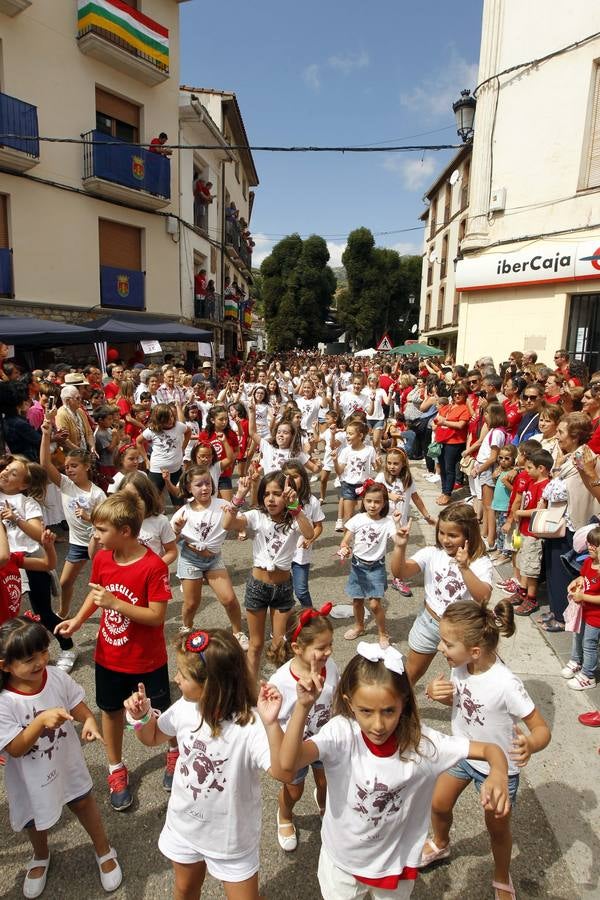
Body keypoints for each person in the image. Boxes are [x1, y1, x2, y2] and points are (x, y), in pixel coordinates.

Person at [277, 642, 511, 900]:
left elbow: (490, 750)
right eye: (366, 711)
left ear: (404, 703)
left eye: (389, 711)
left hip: (394, 866)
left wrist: (498, 772)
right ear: (349, 703)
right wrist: (302, 706)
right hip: (341, 863)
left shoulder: (424, 746)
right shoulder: (341, 734)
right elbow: (287, 766)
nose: (378, 725)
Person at [123, 629, 288, 900]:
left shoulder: (250, 725)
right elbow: (152, 736)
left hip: (231, 838)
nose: (175, 679)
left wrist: (272, 724)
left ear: (211, 684)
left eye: (182, 674)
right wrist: (141, 717)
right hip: (185, 826)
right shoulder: (186, 708)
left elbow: (283, 771)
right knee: (185, 889)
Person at [422, 601, 551, 900]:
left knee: (497, 829)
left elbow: (542, 729)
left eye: (447, 643)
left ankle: (502, 876)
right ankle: (441, 843)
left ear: (475, 651)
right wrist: (435, 693)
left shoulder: (506, 684)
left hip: (498, 768)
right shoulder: (460, 665)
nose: (441, 648)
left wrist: (530, 744)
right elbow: (464, 705)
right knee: (439, 804)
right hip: (464, 752)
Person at [55, 494, 173, 809]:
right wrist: (77, 621)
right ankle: (115, 767)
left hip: (146, 660)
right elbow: (96, 595)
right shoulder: (104, 558)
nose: (95, 535)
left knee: (162, 714)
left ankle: (174, 751)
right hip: (109, 656)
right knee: (110, 710)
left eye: (101, 529)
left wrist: (116, 603)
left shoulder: (153, 566)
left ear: (124, 531)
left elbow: (156, 616)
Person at [0, 617, 122, 897]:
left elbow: (77, 704)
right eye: (30, 658)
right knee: (34, 817)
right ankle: (41, 855)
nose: (41, 661)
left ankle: (104, 849)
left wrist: (89, 721)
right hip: (29, 777)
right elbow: (15, 748)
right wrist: (41, 720)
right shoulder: (5, 701)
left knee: (82, 802)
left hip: (65, 761)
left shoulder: (55, 676)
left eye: (44, 651)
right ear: (4, 665)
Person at [222, 472, 314, 683]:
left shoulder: (294, 519)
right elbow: (228, 524)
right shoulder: (257, 517)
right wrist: (239, 496)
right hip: (258, 586)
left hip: (283, 587)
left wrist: (295, 507)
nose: (271, 499)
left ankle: (282, 685)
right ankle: (250, 688)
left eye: (277, 494)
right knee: (255, 644)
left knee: (279, 643)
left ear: (288, 495)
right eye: (266, 494)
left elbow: (309, 534)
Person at [391, 503, 493, 684]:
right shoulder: (431, 553)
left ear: (469, 535)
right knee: (409, 675)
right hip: (429, 622)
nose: (445, 540)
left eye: (453, 535)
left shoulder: (480, 563)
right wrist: (400, 547)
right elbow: (400, 572)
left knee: (467, 681)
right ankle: (400, 708)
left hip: (462, 631)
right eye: (442, 533)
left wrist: (464, 568)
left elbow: (484, 597)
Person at [269, 605, 338, 851]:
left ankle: (325, 807)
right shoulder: (280, 682)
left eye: (330, 645)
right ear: (297, 648)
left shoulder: (331, 668)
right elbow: (272, 721)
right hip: (295, 748)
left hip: (325, 742)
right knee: (294, 789)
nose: (328, 652)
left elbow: (335, 698)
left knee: (325, 781)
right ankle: (285, 815)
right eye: (321, 648)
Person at [0, 454, 77, 669]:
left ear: (24, 484)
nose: (6, 473)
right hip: (3, 566)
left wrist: (15, 518)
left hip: (28, 560)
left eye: (13, 473)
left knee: (43, 612)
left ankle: (67, 647)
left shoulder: (27, 502)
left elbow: (37, 533)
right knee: (7, 616)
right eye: (6, 469)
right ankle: (15, 658)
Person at [170, 465, 247, 648]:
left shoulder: (222, 505)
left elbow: (240, 521)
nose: (204, 488)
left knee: (229, 599)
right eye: (198, 485)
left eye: (207, 483)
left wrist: (240, 527)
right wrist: (177, 530)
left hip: (213, 559)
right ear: (189, 488)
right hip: (190, 559)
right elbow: (170, 541)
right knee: (191, 603)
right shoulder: (183, 512)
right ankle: (186, 628)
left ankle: (238, 632)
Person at [40, 419, 106, 626]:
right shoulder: (66, 485)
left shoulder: (98, 494)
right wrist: (45, 434)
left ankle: (109, 617)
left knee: (101, 585)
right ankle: (64, 611)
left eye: (74, 466)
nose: (68, 470)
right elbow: (44, 464)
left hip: (98, 544)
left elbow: (106, 522)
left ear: (86, 467)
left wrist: (89, 518)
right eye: (66, 466)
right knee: (65, 582)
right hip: (77, 543)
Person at [338, 481, 397, 648]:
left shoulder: (388, 522)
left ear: (384, 503)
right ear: (363, 501)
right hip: (358, 566)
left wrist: (400, 527)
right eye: (369, 500)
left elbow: (398, 540)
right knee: (357, 601)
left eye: (377, 501)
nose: (373, 505)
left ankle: (382, 633)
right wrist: (344, 548)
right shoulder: (358, 519)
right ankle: (359, 627)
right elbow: (345, 541)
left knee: (374, 604)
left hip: (377, 567)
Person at [375, 447, 435, 596]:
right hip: (382, 520)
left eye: (396, 463)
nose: (391, 466)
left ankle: (398, 578)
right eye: (389, 463)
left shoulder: (407, 479)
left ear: (403, 464)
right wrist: (389, 495)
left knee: (399, 551)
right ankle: (376, 576)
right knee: (378, 550)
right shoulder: (382, 477)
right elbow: (372, 491)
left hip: (400, 522)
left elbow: (416, 497)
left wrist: (427, 516)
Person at [507, 448, 553, 616]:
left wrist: (519, 513)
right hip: (524, 530)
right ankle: (522, 590)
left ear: (541, 468)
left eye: (529, 468)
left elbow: (541, 510)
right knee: (523, 562)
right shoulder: (532, 482)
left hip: (534, 533)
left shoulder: (545, 485)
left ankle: (532, 597)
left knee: (531, 567)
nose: (526, 472)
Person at [280, 460, 324, 610]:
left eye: (296, 476)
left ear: (304, 478)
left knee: (301, 591)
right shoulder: (278, 500)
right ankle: (285, 620)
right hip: (280, 553)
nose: (291, 480)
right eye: (287, 476)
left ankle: (311, 615)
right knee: (282, 591)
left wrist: (310, 539)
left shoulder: (312, 501)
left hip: (300, 555)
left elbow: (318, 526)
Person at [563, 525, 600, 690]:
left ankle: (588, 675)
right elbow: (583, 576)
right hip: (584, 610)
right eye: (590, 543)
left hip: (596, 616)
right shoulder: (588, 562)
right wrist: (576, 581)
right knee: (577, 636)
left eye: (596, 545)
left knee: (590, 643)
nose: (591, 547)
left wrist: (583, 596)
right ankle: (576, 660)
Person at [0, 520, 56, 625]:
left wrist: (48, 548)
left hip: (9, 625)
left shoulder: (13, 558)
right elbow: (3, 557)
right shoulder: (5, 559)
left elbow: (48, 564)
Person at [116, 472, 177, 568]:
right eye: (126, 496)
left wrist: (155, 567)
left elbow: (172, 551)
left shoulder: (160, 521)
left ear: (147, 496)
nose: (131, 501)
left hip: (154, 577)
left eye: (136, 496)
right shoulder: (117, 521)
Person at [137, 403, 191, 499]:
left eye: (171, 417)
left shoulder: (179, 426)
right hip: (157, 470)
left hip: (176, 470)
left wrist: (183, 447)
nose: (170, 421)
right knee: (153, 497)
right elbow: (138, 441)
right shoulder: (152, 430)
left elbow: (188, 432)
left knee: (179, 498)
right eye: (166, 420)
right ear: (159, 420)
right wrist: (146, 459)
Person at [431, 384, 470, 505]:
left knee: (449, 468)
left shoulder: (464, 408)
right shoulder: (448, 407)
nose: (457, 395)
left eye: (460, 393)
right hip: (442, 440)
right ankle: (444, 491)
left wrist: (445, 422)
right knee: (442, 467)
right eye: (455, 393)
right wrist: (438, 423)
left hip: (454, 442)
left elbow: (461, 425)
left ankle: (448, 493)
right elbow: (437, 420)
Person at [333, 419, 377, 525]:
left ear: (360, 436)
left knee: (364, 516)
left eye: (351, 434)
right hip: (348, 486)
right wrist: (335, 461)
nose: (347, 436)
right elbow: (339, 472)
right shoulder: (345, 451)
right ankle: (346, 541)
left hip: (364, 486)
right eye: (347, 433)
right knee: (348, 517)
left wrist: (379, 464)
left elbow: (377, 469)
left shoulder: (370, 450)